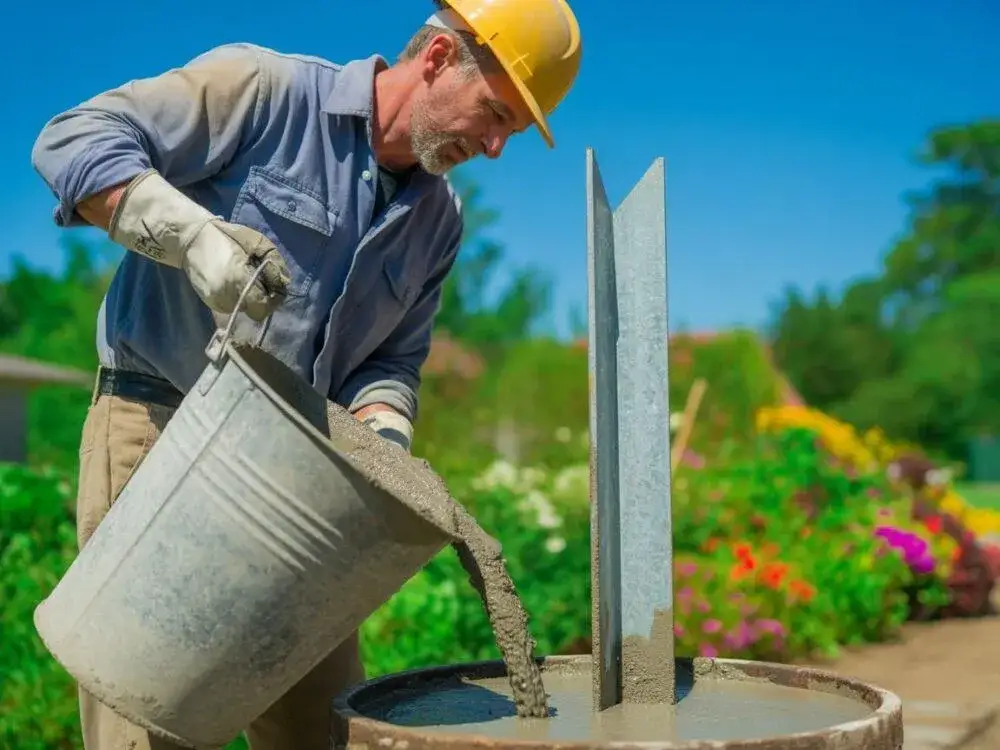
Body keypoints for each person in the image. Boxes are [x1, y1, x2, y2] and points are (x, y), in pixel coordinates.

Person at [29, 0, 582, 747]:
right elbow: (73, 140)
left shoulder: (438, 222)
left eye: (510, 133)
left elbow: (392, 361)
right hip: (159, 431)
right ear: (441, 59)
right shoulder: (267, 93)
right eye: (495, 115)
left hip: (298, 481)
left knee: (319, 726)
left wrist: (383, 427)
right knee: (144, 709)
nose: (493, 148)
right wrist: (191, 237)